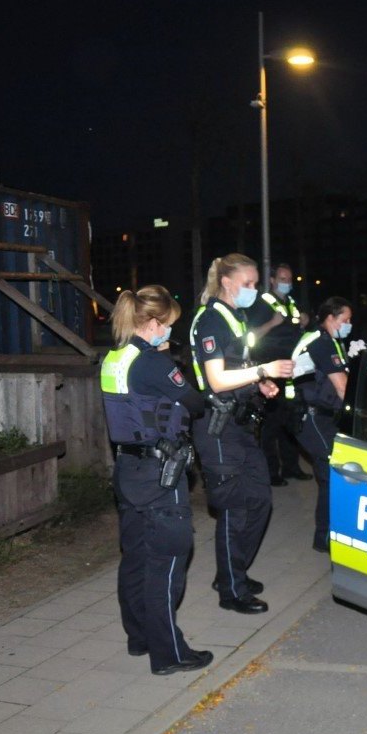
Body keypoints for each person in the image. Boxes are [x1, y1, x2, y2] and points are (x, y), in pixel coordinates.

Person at [100, 284, 213, 676]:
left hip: (128, 471)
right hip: (159, 474)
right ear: (153, 322)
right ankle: (169, 654)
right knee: (166, 562)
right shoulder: (153, 362)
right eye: (169, 324)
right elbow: (195, 402)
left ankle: (140, 637)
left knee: (135, 558)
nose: (171, 332)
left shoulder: (115, 356)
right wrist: (170, 362)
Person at [189, 254, 294, 614]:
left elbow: (239, 366)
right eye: (248, 284)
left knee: (260, 500)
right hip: (217, 428)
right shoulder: (210, 320)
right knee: (234, 508)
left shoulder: (236, 317)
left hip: (240, 424)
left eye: (255, 284)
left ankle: (231, 572)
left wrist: (260, 382)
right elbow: (217, 379)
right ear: (228, 282)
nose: (254, 290)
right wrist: (264, 369)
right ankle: (231, 590)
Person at [291, 296, 354, 552]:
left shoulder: (329, 341)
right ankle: (325, 538)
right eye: (345, 320)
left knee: (331, 475)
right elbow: (342, 388)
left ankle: (329, 534)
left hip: (322, 415)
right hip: (312, 416)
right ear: (330, 318)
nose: (349, 324)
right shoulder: (321, 343)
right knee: (332, 475)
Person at [246, 263, 312, 486]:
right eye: (282, 279)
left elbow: (296, 329)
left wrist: (303, 320)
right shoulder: (260, 303)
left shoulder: (290, 303)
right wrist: (272, 323)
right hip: (270, 370)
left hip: (291, 370)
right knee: (270, 423)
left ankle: (291, 467)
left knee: (290, 419)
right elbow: (251, 336)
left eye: (289, 279)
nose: (287, 283)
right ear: (272, 280)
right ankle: (271, 472)